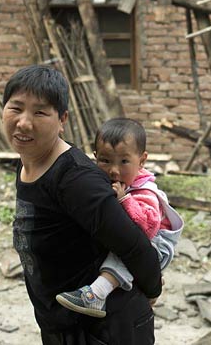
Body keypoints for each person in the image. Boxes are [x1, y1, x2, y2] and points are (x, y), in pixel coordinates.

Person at [2, 65, 161, 345]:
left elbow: (136, 246)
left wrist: (151, 291)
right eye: (16, 108)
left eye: (40, 112)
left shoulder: (76, 180)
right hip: (61, 325)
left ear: (62, 119)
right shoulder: (29, 160)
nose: (24, 123)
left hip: (104, 329)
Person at [55, 118, 183, 319]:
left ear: (141, 161)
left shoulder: (145, 192)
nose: (114, 170)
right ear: (95, 157)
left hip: (157, 245)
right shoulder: (108, 181)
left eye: (124, 161)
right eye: (105, 161)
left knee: (123, 253)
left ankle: (96, 294)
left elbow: (147, 229)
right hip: (142, 244)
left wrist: (125, 200)